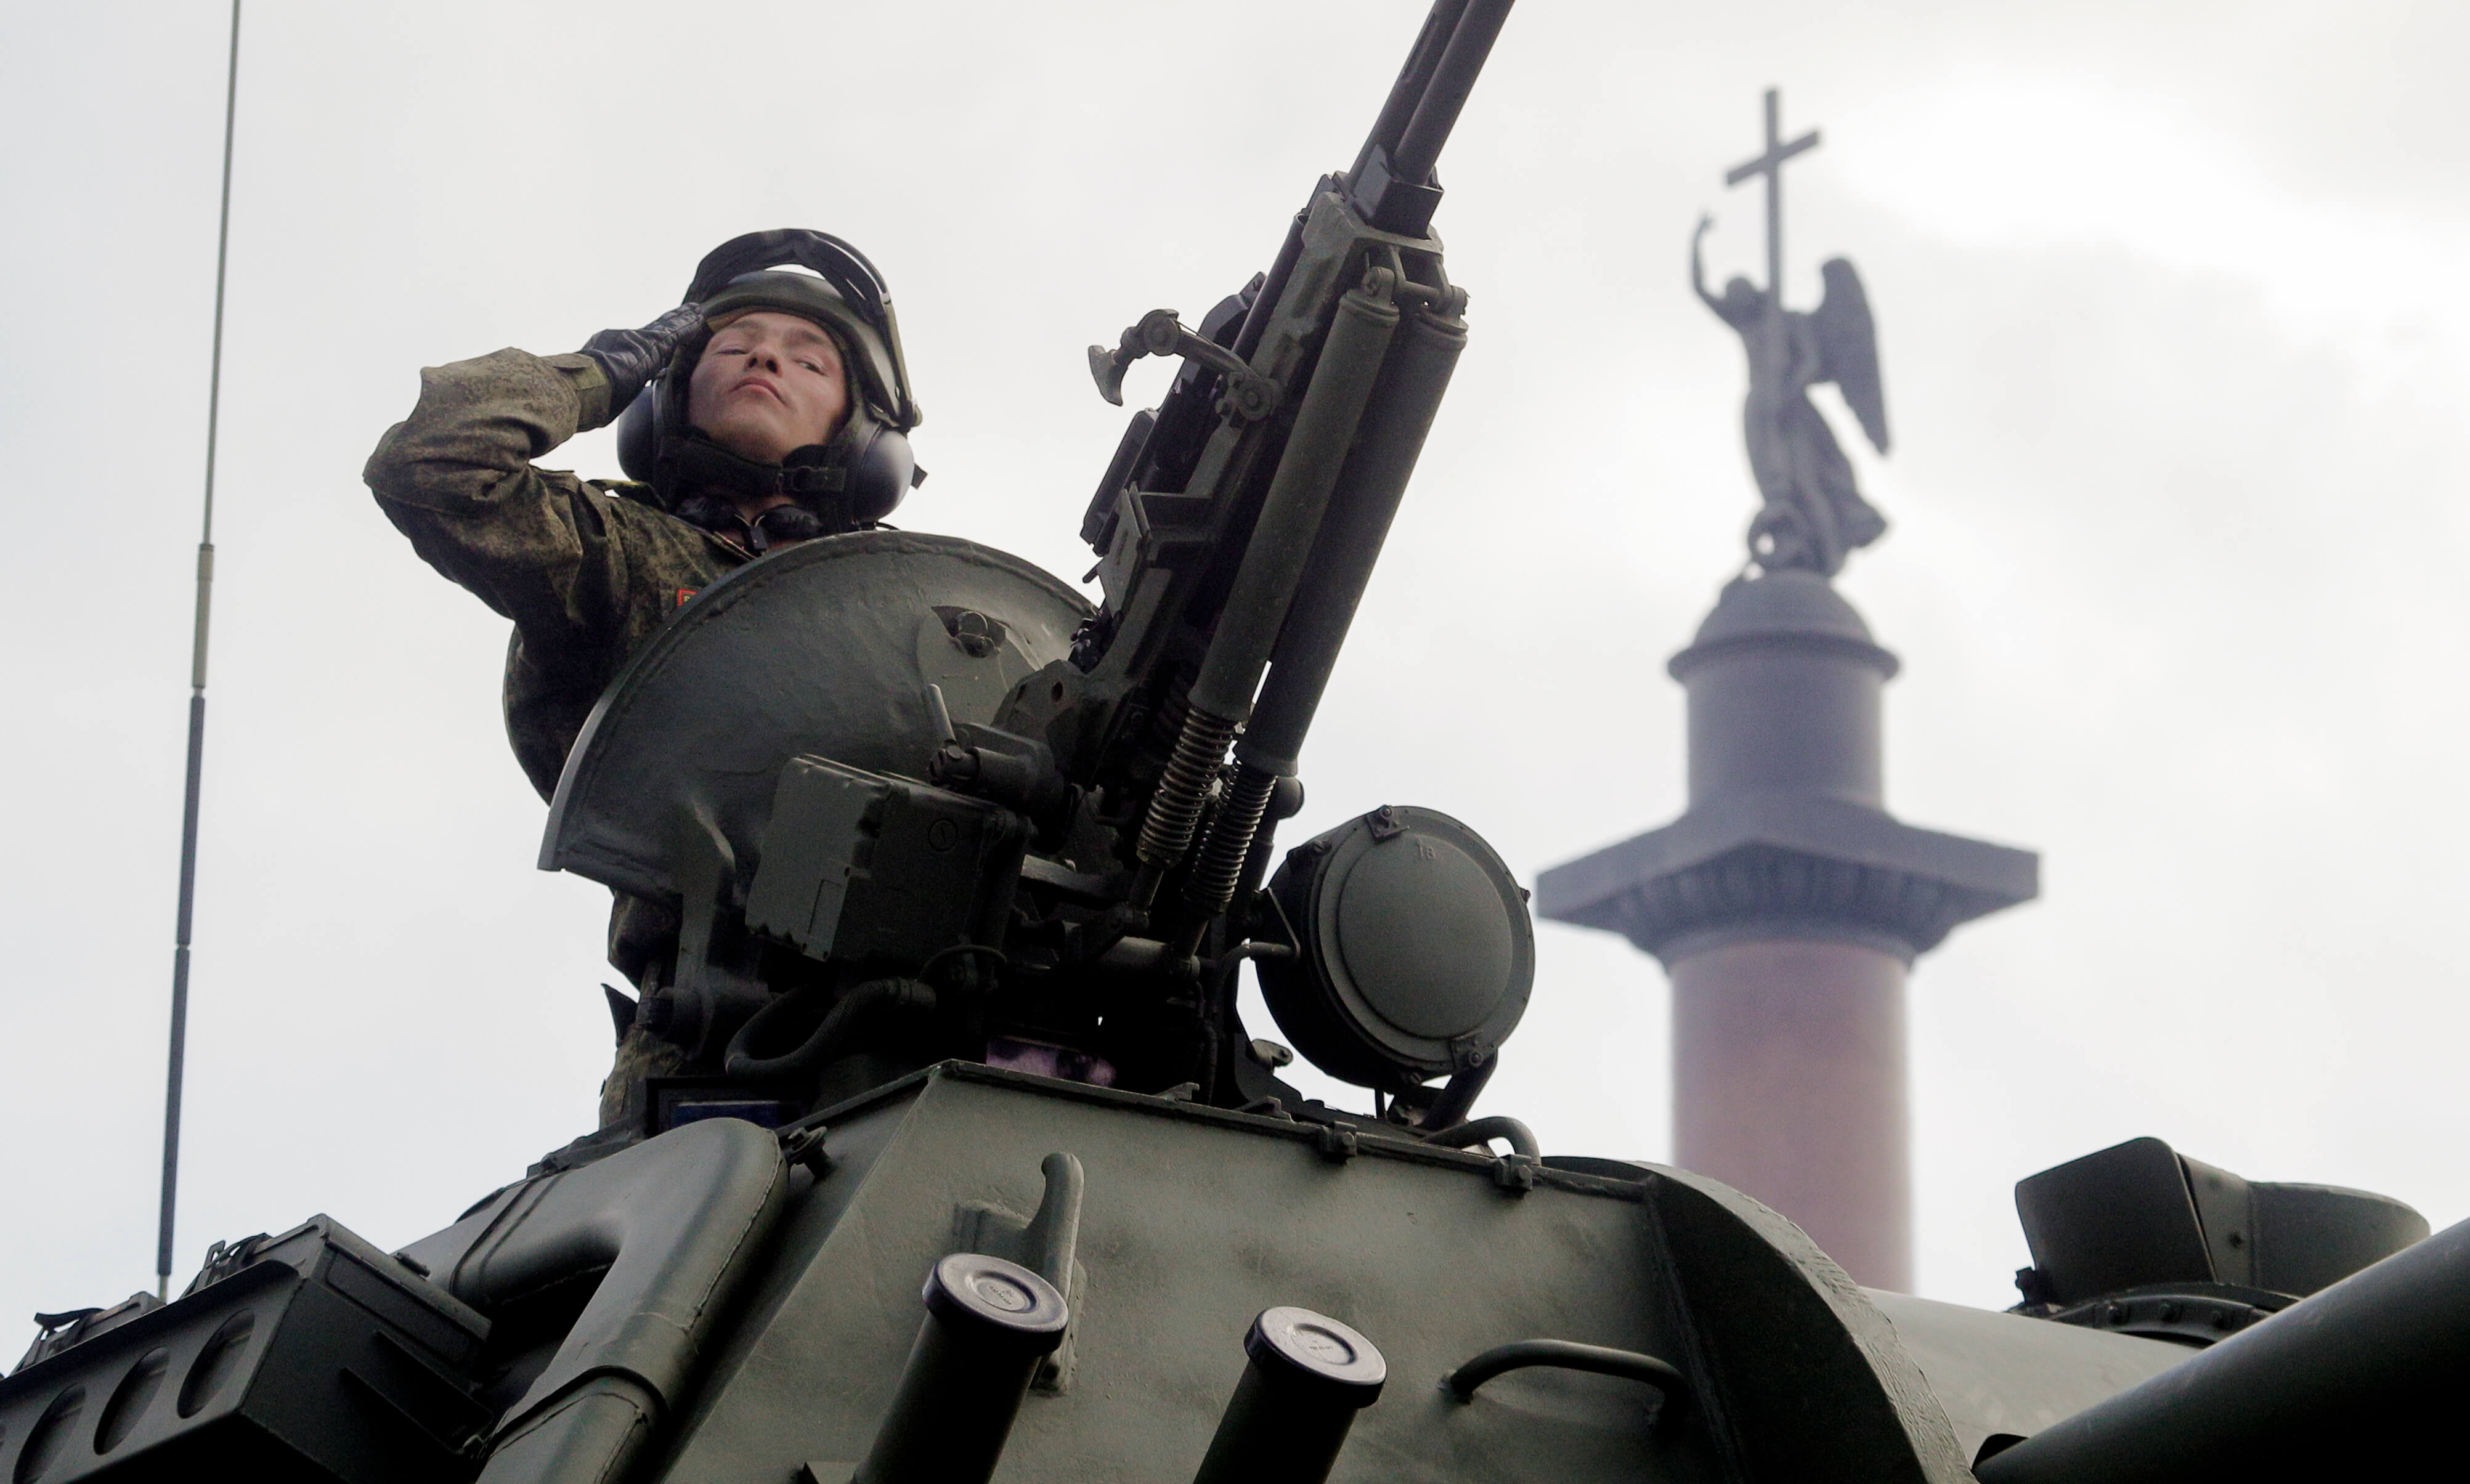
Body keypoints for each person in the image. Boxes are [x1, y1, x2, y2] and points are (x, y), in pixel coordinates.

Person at [364, 230, 923, 1125]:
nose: (767, 359)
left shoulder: (914, 605)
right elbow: (431, 464)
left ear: (864, 434)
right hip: (725, 1047)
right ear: (667, 400)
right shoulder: (618, 553)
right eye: (732, 347)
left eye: (809, 359)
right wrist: (598, 373)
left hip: (950, 1019)